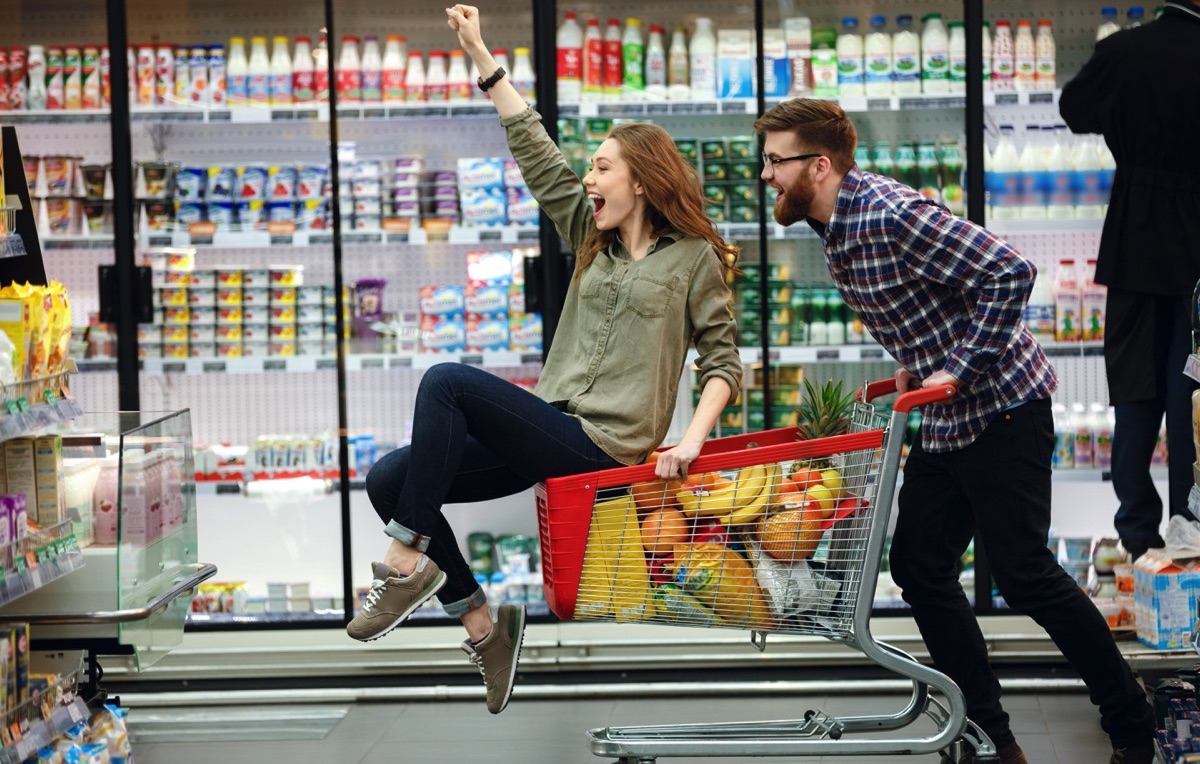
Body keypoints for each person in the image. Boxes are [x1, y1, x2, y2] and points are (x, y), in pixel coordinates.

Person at [346, 4, 743, 716]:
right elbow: (534, 149)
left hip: (606, 449)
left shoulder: (695, 261)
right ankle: (481, 626)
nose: (587, 177)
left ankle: (403, 564)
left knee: (446, 383)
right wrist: (477, 51)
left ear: (642, 182)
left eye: (601, 167)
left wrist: (691, 437)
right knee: (389, 479)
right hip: (551, 430)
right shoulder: (594, 240)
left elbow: (723, 362)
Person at [754, 99, 1155, 764]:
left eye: (776, 160)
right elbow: (933, 301)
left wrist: (958, 372)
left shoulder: (888, 212)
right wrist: (914, 370)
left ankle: (1131, 725)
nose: (766, 174)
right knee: (919, 565)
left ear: (818, 166)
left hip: (1001, 408)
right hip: (943, 421)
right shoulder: (832, 225)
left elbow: (1008, 272)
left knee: (1023, 573)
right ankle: (989, 735)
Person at [1059, 2, 1200, 561]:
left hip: (1135, 231)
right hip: (1197, 239)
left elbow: (1076, 109)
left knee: (1134, 382)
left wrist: (1129, 123)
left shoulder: (1123, 50)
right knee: (1190, 384)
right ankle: (1191, 520)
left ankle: (1138, 529)